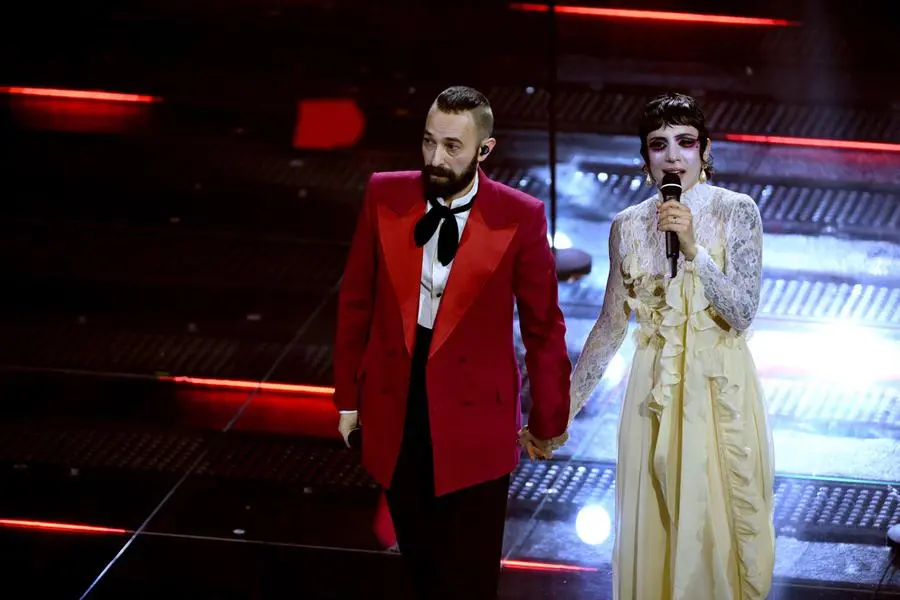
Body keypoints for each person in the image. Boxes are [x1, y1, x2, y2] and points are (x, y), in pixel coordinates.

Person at [333, 85, 571, 599]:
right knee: (419, 566)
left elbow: (543, 326)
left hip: (476, 421)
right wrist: (347, 399)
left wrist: (550, 420)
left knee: (469, 575)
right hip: (397, 406)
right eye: (428, 142)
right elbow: (355, 300)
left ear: (485, 150)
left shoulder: (520, 214)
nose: (435, 159)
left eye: (452, 147)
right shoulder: (384, 193)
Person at [559, 92, 776, 599]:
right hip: (650, 394)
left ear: (705, 151)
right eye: (659, 145)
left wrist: (696, 249)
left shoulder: (736, 212)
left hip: (717, 387)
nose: (673, 156)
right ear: (645, 159)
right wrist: (562, 411)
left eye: (685, 142)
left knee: (714, 526)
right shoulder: (627, 226)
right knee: (655, 525)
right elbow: (611, 325)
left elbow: (742, 311)